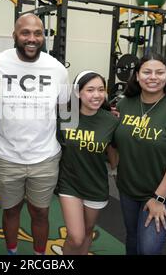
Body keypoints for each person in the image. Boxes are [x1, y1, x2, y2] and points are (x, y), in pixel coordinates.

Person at [0, 13, 70, 255]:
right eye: (25, 33)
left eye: (37, 33)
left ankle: (39, 256)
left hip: (44, 157)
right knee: (10, 210)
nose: (31, 38)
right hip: (4, 156)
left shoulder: (56, 69)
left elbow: (67, 111)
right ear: (14, 35)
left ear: (43, 36)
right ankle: (12, 253)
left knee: (41, 212)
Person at [113, 52, 166, 255]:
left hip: (164, 195)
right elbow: (114, 142)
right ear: (136, 75)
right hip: (129, 190)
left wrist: (158, 198)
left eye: (159, 72)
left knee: (149, 249)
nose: (153, 77)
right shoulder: (125, 104)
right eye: (147, 72)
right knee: (133, 239)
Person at [56, 71, 119, 255]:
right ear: (77, 92)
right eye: (90, 90)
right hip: (70, 184)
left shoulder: (111, 121)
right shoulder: (65, 118)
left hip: (96, 185)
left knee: (87, 232)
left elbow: (115, 153)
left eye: (101, 89)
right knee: (75, 236)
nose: (97, 95)